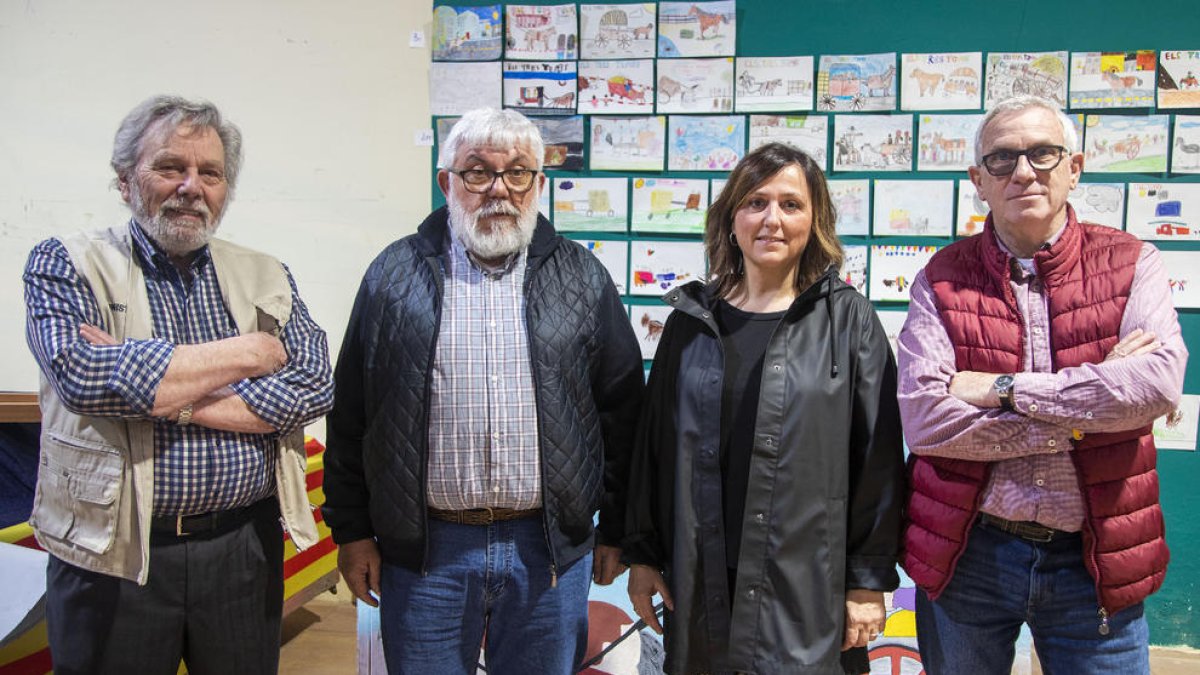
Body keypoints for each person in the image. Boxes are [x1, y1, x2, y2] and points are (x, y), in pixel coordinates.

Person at [322, 107, 644, 675]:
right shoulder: (393, 276)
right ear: (447, 182)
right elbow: (352, 413)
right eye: (477, 171)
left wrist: (617, 529)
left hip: (548, 551)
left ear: (538, 184)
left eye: (517, 172)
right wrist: (352, 532)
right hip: (426, 553)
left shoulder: (582, 277)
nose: (499, 189)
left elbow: (621, 413)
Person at [22, 95, 334, 674]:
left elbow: (313, 387)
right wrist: (250, 353)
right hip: (113, 554)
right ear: (125, 180)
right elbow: (86, 378)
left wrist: (166, 394)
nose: (192, 186)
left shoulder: (266, 272)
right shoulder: (65, 263)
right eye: (170, 167)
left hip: (243, 549)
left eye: (210, 173)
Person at [897, 95, 1187, 674]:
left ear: (1074, 168)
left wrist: (1002, 389)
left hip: (1095, 557)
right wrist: (1088, 412)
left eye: (1043, 153)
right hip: (968, 552)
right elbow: (926, 423)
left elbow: (1156, 386)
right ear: (978, 181)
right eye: (1002, 158)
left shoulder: (1134, 263)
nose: (1024, 171)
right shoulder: (940, 278)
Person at [623, 142, 906, 675]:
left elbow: (880, 462)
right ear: (732, 219)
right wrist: (643, 555)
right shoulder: (690, 321)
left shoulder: (849, 321)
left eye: (790, 204)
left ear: (814, 222)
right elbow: (652, 448)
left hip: (804, 593)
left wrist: (868, 581)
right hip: (700, 584)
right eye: (756, 202)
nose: (772, 219)